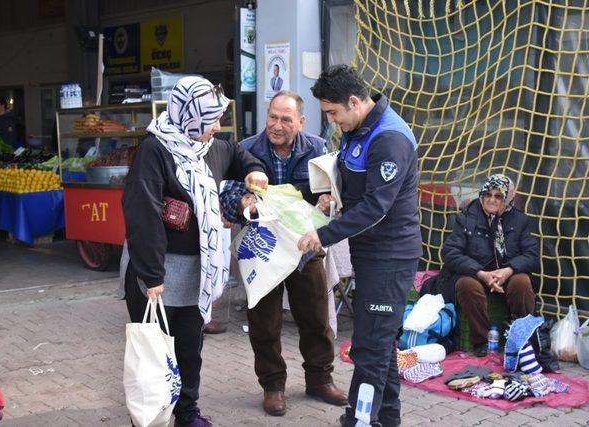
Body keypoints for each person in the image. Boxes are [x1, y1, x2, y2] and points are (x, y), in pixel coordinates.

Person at [120, 76, 268, 427]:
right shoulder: (155, 150)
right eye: (211, 119)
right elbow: (143, 214)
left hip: (198, 271)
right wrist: (152, 276)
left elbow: (240, 155)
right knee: (157, 349)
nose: (217, 126)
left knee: (189, 345)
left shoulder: (212, 147)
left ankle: (187, 412)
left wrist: (255, 173)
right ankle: (150, 415)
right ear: (189, 117)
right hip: (159, 269)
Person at [298, 65, 422, 427]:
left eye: (334, 113)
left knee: (368, 349)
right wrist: (330, 197)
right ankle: (388, 420)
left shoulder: (390, 138)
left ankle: (359, 420)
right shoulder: (357, 128)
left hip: (391, 256)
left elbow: (375, 207)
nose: (333, 121)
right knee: (380, 347)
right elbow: (355, 186)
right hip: (368, 253)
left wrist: (323, 234)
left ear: (354, 102)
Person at [222, 90, 347, 416]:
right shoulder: (245, 149)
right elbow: (227, 194)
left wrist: (327, 203)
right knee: (264, 322)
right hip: (263, 253)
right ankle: (273, 385)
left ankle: (320, 380)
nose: (276, 125)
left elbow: (333, 190)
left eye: (285, 120)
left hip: (305, 249)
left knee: (316, 319)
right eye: (272, 117)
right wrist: (242, 202)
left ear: (301, 122)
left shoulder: (318, 148)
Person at [439, 174, 538, 357]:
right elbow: (451, 253)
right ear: (482, 195)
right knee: (466, 285)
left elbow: (532, 256)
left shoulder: (520, 220)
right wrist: (480, 272)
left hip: (506, 274)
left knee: (522, 282)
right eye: (487, 194)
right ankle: (481, 342)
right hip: (476, 273)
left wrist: (508, 270)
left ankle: (523, 339)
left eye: (498, 196)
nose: (492, 200)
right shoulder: (467, 217)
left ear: (508, 199)